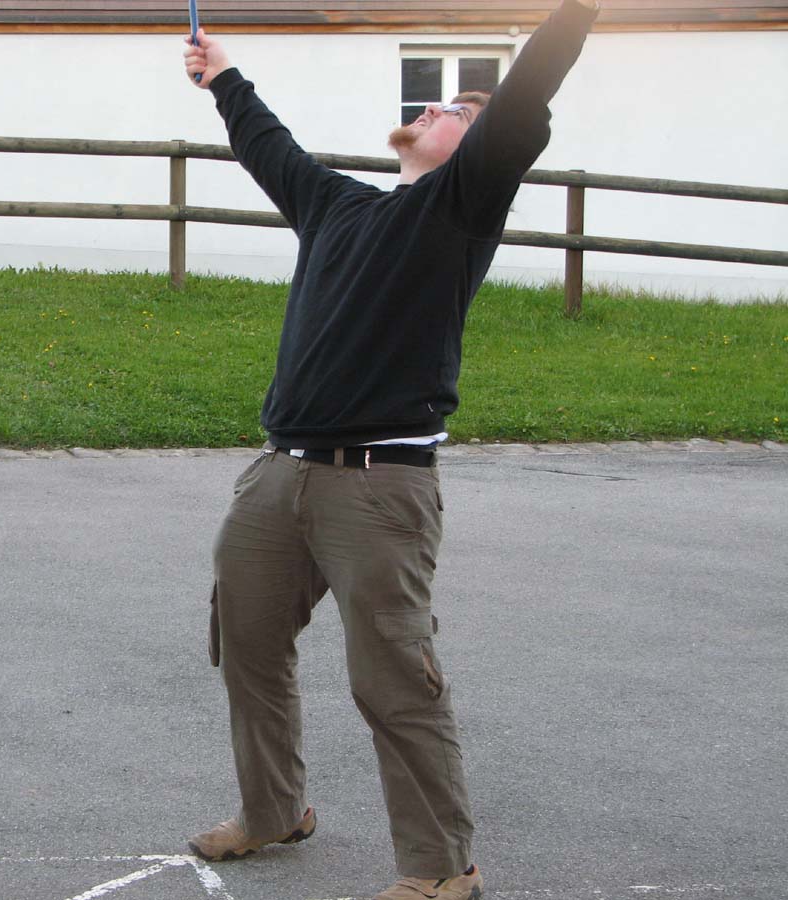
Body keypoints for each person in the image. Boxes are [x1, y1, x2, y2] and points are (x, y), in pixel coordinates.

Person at [182, 1, 598, 897]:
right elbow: (271, 149)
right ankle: (272, 809)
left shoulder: (461, 206)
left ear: (484, 147)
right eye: (440, 100)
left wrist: (577, 11)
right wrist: (223, 77)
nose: (437, 106)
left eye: (460, 110)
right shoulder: (338, 205)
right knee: (247, 644)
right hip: (280, 473)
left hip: (379, 487)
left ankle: (441, 869)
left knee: (394, 681)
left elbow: (528, 91)